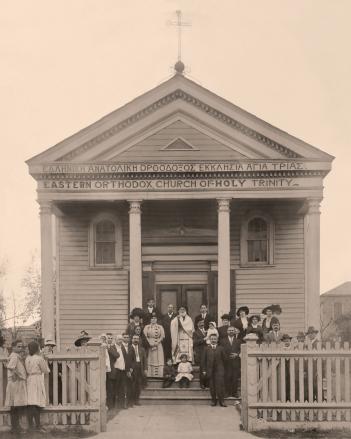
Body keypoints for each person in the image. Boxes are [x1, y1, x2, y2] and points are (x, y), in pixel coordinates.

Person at [25, 340, 50, 433]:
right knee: (36, 402)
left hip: (30, 379)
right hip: (37, 380)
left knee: (31, 402)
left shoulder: (27, 358)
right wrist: (44, 359)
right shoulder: (39, 358)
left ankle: (31, 426)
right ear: (37, 348)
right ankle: (38, 426)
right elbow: (46, 370)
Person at [5, 339, 28, 434]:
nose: (20, 348)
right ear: (13, 347)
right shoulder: (14, 356)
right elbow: (10, 367)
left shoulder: (16, 356)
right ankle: (15, 427)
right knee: (16, 406)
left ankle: (15, 427)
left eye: (21, 346)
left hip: (17, 383)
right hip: (16, 383)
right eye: (18, 346)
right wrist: (17, 375)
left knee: (16, 405)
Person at [202, 334, 227, 407]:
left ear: (217, 340)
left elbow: (225, 359)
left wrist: (222, 368)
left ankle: (222, 401)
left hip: (219, 370)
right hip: (210, 370)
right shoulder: (206, 349)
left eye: (215, 339)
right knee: (212, 386)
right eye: (212, 339)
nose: (213, 340)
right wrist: (204, 370)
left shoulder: (221, 348)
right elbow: (203, 360)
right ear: (209, 340)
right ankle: (213, 401)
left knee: (220, 386)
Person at [221, 326, 242, 398]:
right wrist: (226, 357)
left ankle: (234, 393)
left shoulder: (238, 341)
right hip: (226, 362)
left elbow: (241, 350)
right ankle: (227, 392)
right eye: (229, 330)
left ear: (234, 331)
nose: (231, 332)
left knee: (235, 377)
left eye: (232, 330)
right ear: (227, 331)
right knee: (227, 377)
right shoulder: (222, 341)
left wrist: (237, 354)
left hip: (235, 362)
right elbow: (221, 350)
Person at [143, 313, 165, 377]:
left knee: (159, 358)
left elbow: (162, 336)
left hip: (158, 345)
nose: (153, 320)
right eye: (152, 318)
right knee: (151, 358)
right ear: (150, 320)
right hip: (150, 345)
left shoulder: (160, 327)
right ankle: (150, 374)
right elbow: (145, 336)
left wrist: (158, 342)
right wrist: (149, 342)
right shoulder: (147, 327)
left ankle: (159, 375)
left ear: (157, 319)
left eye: (155, 318)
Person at [114, 334, 133, 409]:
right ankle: (115, 405)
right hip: (116, 371)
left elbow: (126, 360)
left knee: (122, 388)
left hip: (123, 371)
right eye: (119, 339)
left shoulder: (122, 348)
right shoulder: (113, 347)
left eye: (121, 339)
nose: (120, 341)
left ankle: (122, 405)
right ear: (115, 340)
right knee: (116, 388)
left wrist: (128, 370)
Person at [130, 334, 147, 406]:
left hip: (140, 368)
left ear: (139, 340)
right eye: (134, 338)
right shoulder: (129, 348)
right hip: (132, 369)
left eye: (137, 338)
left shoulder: (142, 349)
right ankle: (131, 401)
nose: (136, 340)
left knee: (138, 385)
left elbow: (145, 360)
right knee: (132, 385)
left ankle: (137, 400)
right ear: (132, 339)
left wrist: (145, 369)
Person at [104, 333, 119, 410]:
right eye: (108, 338)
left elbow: (117, 355)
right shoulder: (102, 347)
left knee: (111, 389)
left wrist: (109, 349)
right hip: (103, 371)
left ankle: (111, 406)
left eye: (111, 338)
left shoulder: (113, 347)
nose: (109, 339)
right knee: (104, 389)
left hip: (111, 371)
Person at [193, 319, 208, 389]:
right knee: (202, 369)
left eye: (203, 322)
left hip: (209, 352)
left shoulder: (207, 331)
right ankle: (202, 384)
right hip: (200, 353)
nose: (202, 324)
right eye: (200, 323)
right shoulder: (195, 333)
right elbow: (195, 342)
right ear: (197, 324)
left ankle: (208, 383)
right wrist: (204, 339)